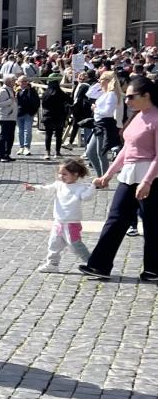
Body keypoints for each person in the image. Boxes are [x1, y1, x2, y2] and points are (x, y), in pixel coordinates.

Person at [80, 75, 158, 282]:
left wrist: (148, 181)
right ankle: (99, 265)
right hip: (129, 176)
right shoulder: (136, 117)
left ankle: (153, 269)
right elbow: (126, 150)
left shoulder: (156, 118)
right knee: (115, 219)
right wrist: (107, 174)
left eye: (131, 97)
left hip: (151, 177)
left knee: (152, 224)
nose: (127, 100)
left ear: (146, 95)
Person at [24, 158, 93, 273]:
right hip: (59, 222)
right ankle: (52, 264)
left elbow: (87, 197)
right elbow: (46, 189)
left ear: (75, 174)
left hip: (71, 224)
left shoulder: (80, 187)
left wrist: (93, 187)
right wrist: (34, 188)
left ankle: (92, 263)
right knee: (53, 244)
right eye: (60, 173)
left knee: (76, 246)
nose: (61, 176)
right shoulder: (58, 185)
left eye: (64, 174)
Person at [86, 70, 123, 179]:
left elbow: (108, 112)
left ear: (107, 81)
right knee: (90, 152)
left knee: (101, 154)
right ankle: (100, 176)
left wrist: (95, 109)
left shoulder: (112, 94)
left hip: (105, 124)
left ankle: (103, 178)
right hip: (98, 124)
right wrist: (98, 83)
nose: (99, 81)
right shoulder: (105, 93)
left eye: (101, 79)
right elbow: (89, 93)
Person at [41, 77, 71, 159]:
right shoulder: (61, 93)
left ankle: (47, 152)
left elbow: (43, 105)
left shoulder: (46, 94)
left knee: (48, 135)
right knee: (58, 135)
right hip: (59, 116)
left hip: (48, 116)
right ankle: (57, 152)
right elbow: (70, 101)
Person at [0, 75, 19, 162]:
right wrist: (9, 101)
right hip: (4, 117)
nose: (15, 82)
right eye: (13, 80)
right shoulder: (2, 91)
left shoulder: (11, 90)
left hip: (11, 117)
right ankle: (1, 155)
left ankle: (7, 154)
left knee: (10, 137)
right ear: (9, 82)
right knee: (4, 137)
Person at [16, 76, 40, 156]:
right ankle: (21, 147)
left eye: (25, 81)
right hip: (19, 113)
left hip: (28, 113)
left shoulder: (32, 90)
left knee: (27, 131)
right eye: (21, 81)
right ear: (18, 82)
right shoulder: (16, 90)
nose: (23, 83)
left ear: (27, 82)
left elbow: (37, 102)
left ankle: (27, 147)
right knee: (20, 131)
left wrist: (33, 112)